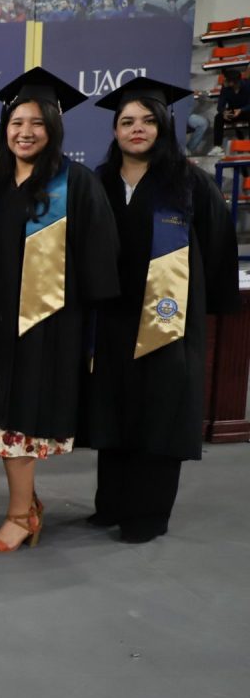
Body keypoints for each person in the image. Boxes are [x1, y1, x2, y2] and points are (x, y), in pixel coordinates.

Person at [0, 67, 120, 553]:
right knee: (1, 422)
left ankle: (20, 517)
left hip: (46, 325)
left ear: (53, 128)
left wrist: (82, 333)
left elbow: (100, 261)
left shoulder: (76, 184)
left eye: (36, 123)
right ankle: (27, 505)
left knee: (19, 424)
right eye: (16, 123)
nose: (25, 132)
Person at [84, 78, 241, 543]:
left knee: (160, 413)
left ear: (164, 127)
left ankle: (148, 514)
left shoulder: (189, 183)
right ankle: (112, 504)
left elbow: (217, 247)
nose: (137, 129)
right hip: (112, 318)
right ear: (115, 130)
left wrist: (204, 310)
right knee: (114, 410)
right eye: (127, 121)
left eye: (148, 121)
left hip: (168, 320)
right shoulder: (99, 182)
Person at [211, 69, 249, 154]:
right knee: (218, 117)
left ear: (234, 82)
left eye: (227, 80)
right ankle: (218, 147)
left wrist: (241, 110)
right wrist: (223, 112)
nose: (224, 81)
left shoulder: (248, 85)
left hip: (246, 110)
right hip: (233, 112)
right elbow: (220, 105)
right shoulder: (225, 88)